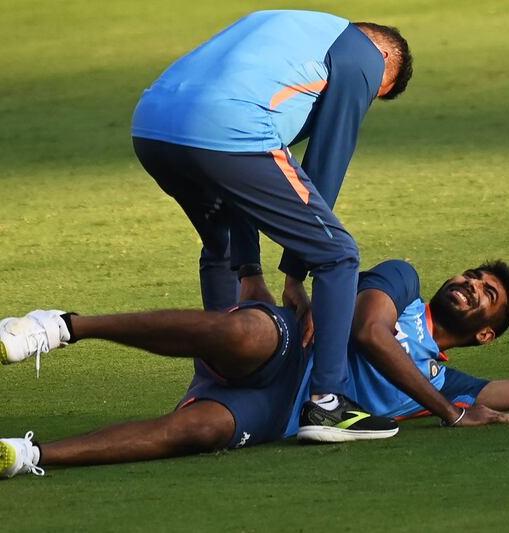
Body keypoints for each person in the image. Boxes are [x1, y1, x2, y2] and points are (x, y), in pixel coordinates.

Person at [0, 260, 509, 480]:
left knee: (201, 430)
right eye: (471, 277)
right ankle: (66, 325)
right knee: (248, 330)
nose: (468, 286)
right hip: (281, 350)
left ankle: (28, 455)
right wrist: (444, 410)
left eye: (483, 294)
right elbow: (368, 334)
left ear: (487, 332)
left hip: (275, 411)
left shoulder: (451, 377)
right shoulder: (399, 281)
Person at [130, 9, 414, 440]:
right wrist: (295, 274)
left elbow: (234, 183)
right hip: (227, 128)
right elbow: (327, 159)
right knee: (338, 255)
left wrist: (250, 271)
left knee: (221, 248)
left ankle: (211, 388)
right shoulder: (366, 57)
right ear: (384, 59)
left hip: (151, 126)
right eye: (374, 95)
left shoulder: (283, 25)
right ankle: (328, 404)